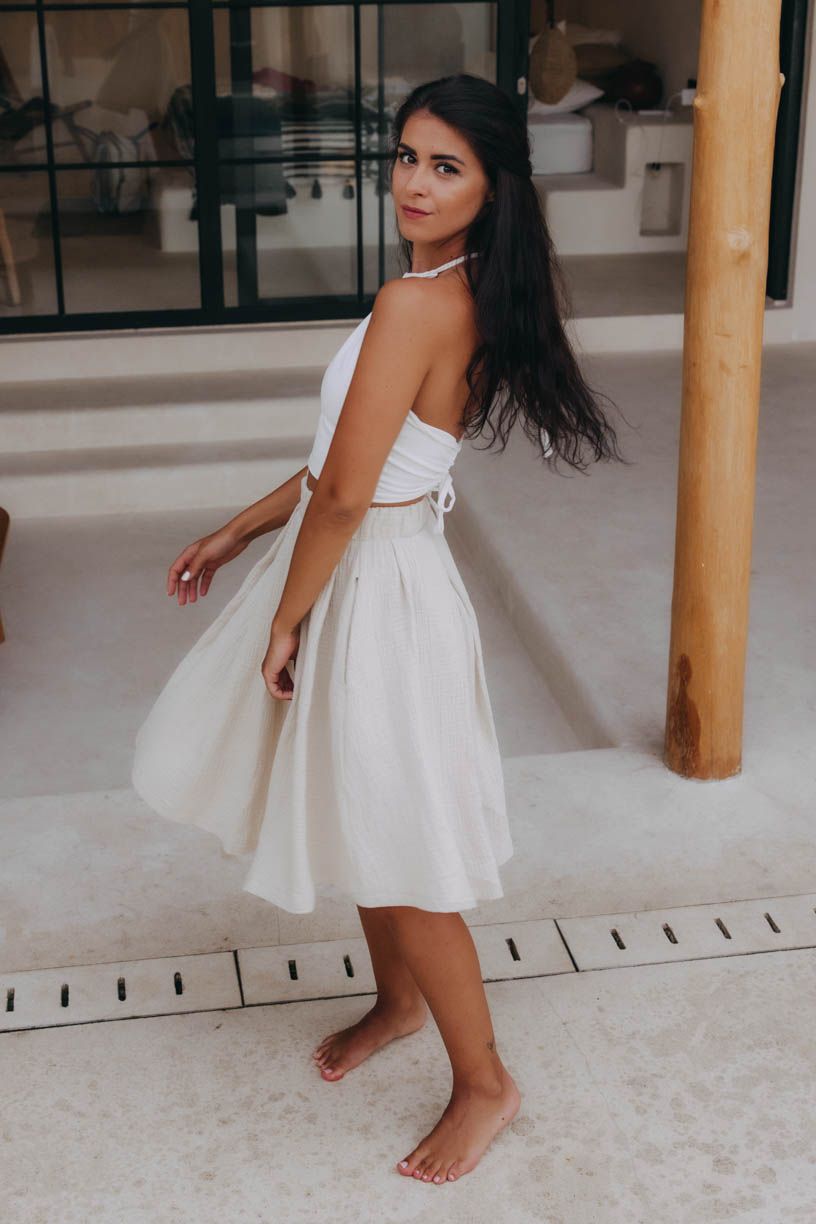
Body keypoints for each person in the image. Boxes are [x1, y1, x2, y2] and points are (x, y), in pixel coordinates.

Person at [131, 73, 628, 1186]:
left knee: (406, 849)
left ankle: (485, 1082)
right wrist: (236, 532)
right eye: (406, 156)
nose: (414, 182)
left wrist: (285, 619)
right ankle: (398, 1002)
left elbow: (352, 497)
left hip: (380, 586)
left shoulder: (420, 303)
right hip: (367, 566)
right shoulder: (446, 286)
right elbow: (340, 467)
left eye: (446, 166)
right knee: (359, 803)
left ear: (494, 187)